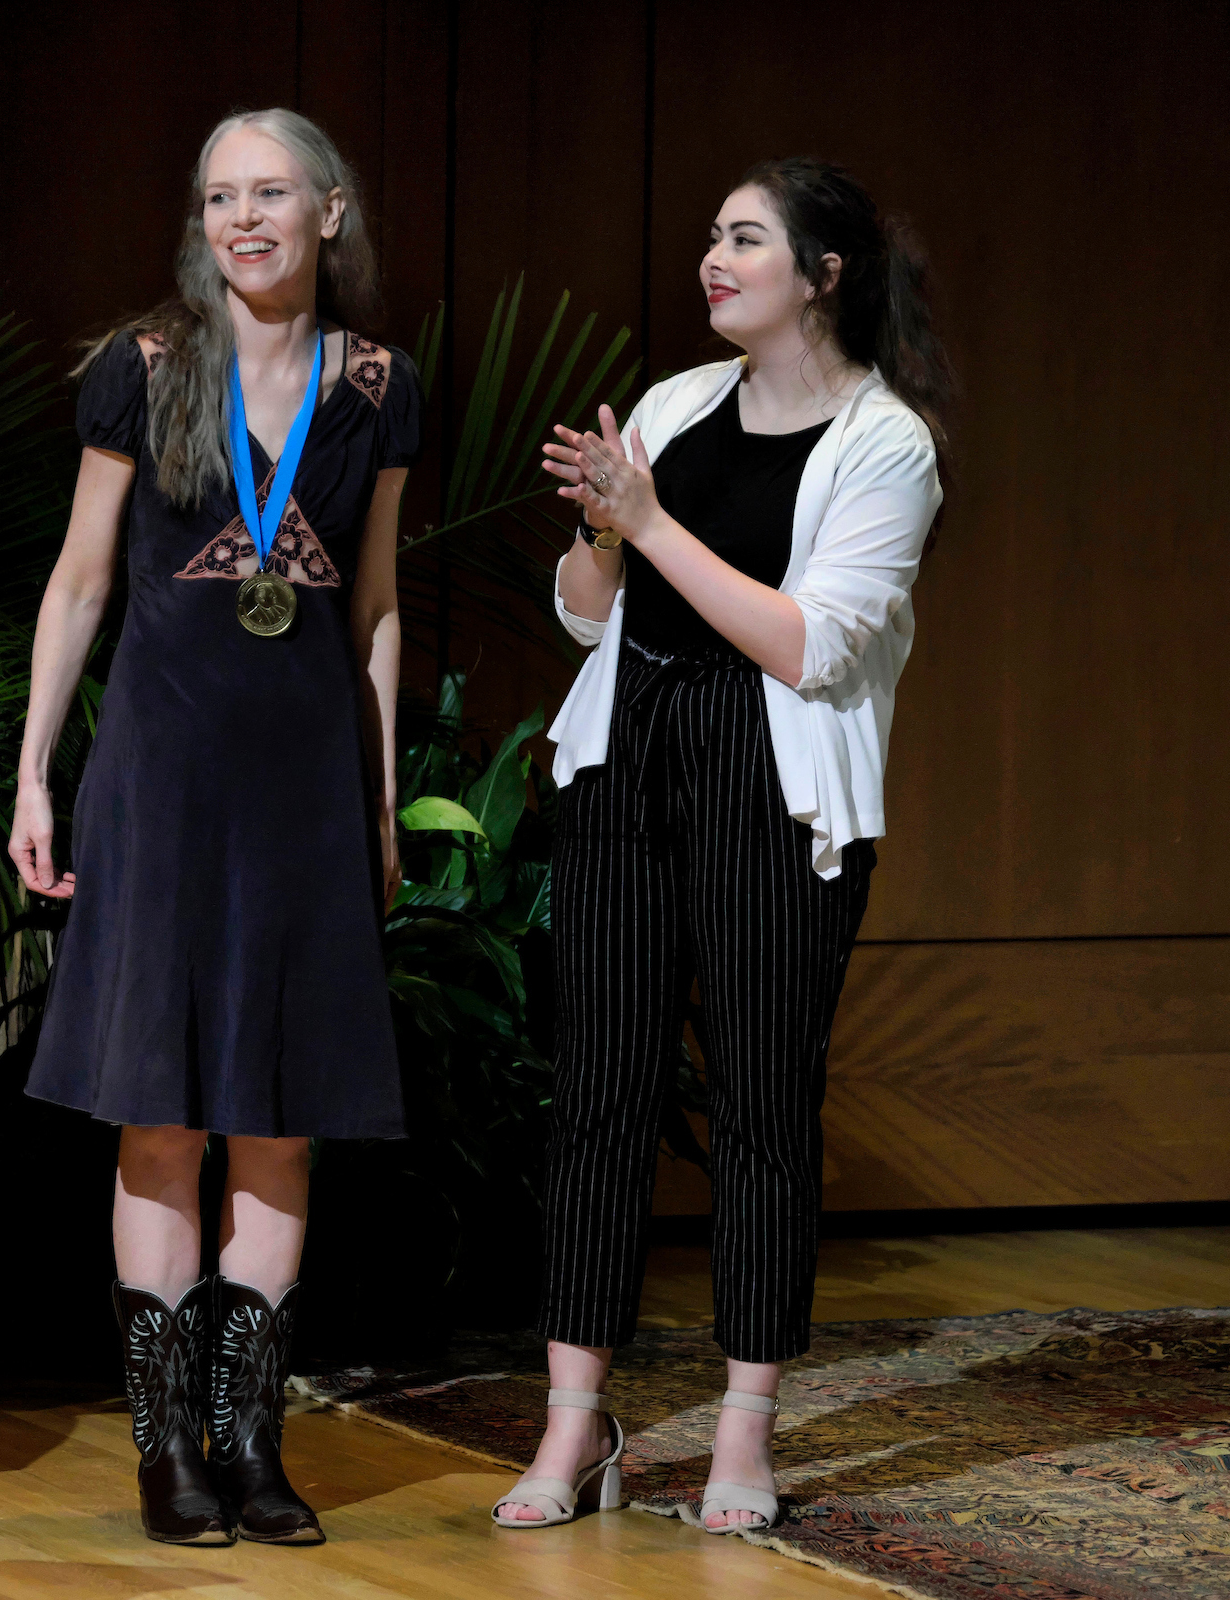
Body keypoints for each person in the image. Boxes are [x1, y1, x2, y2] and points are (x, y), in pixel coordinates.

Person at [494, 157, 952, 1535]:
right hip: (628, 755)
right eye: (711, 234)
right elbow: (591, 618)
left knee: (760, 1101)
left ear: (821, 275)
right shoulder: (677, 406)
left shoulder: (889, 445)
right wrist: (600, 535)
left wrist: (650, 523)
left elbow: (812, 648)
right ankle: (575, 1418)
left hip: (773, 780)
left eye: (744, 238)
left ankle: (747, 1424)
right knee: (600, 1094)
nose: (713, 255)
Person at [9, 108, 417, 1548]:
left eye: (271, 194)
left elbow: (370, 607)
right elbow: (75, 586)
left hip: (304, 794)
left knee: (280, 1127)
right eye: (219, 197)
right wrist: (35, 772)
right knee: (164, 1120)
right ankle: (166, 1455)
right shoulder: (147, 369)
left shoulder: (376, 385)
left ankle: (253, 1447)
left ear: (330, 210)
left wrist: (376, 799)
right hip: (161, 784)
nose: (243, 219)